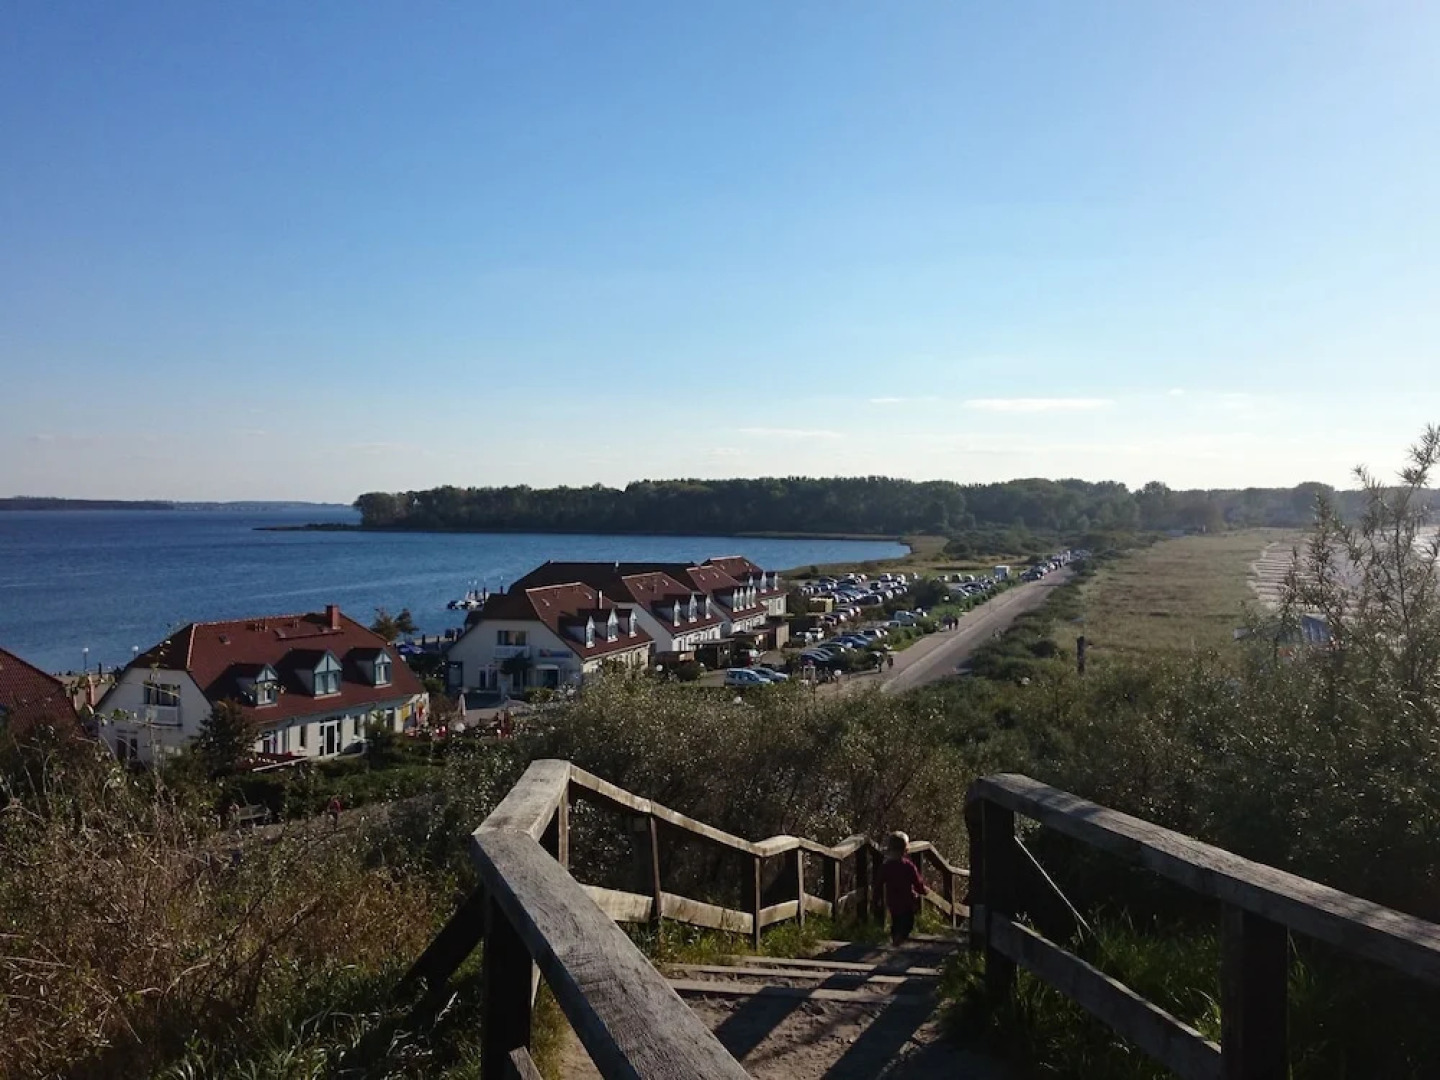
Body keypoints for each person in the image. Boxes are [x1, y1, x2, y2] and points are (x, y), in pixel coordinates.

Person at [874, 831, 925, 945]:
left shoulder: (886, 866)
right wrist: (922, 890)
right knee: (908, 923)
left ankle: (895, 938)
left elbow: (878, 884)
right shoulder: (908, 866)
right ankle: (899, 939)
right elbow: (917, 880)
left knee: (896, 920)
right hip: (907, 901)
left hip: (892, 900)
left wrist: (876, 898)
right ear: (905, 850)